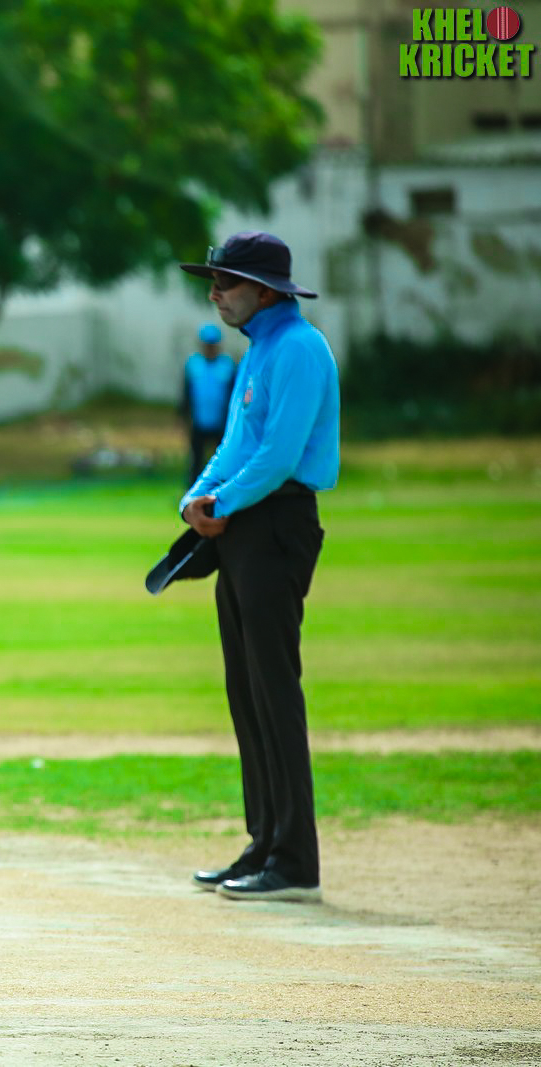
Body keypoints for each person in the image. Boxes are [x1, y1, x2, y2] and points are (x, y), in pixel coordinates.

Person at [176, 231, 339, 903]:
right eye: (213, 283)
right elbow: (233, 446)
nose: (215, 294)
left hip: (277, 523)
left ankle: (295, 860)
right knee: (246, 692)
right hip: (245, 525)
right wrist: (194, 498)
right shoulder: (259, 349)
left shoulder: (298, 347)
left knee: (274, 690)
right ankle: (266, 841)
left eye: (227, 282)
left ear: (265, 291)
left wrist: (221, 501)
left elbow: (278, 456)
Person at [180, 322, 237, 486]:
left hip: (220, 423)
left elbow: (234, 395)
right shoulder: (194, 364)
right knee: (196, 460)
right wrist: (184, 416)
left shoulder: (227, 365)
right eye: (207, 344)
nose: (210, 348)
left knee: (223, 460)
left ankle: (220, 489)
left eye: (212, 345)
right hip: (199, 421)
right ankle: (192, 491)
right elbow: (186, 392)